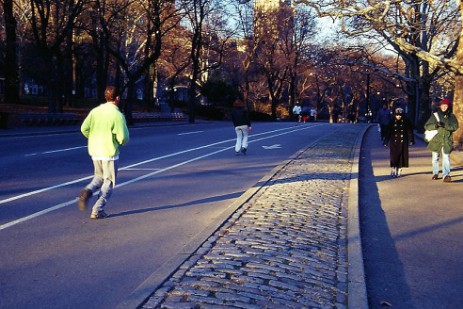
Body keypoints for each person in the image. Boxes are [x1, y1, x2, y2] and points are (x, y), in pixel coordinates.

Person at [78, 85, 130, 219]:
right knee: (109, 181)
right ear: (117, 98)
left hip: (95, 151)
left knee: (98, 177)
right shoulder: (117, 115)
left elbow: (84, 128)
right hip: (109, 153)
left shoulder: (95, 111)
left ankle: (87, 190)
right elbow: (123, 137)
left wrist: (94, 138)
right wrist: (118, 142)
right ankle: (98, 209)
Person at [424, 98, 459, 182]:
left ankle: (446, 175)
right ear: (440, 106)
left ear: (448, 106)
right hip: (436, 140)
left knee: (446, 158)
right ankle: (435, 173)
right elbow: (427, 126)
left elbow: (455, 126)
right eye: (442, 105)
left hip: (446, 140)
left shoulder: (452, 116)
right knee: (435, 158)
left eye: (445, 106)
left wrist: (445, 126)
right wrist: (436, 125)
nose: (444, 107)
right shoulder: (435, 115)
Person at [383, 107, 415, 178]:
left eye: (400, 115)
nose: (398, 117)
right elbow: (388, 132)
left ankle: (399, 169)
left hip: (403, 142)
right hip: (394, 142)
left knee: (401, 156)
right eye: (397, 115)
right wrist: (385, 142)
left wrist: (411, 140)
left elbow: (410, 131)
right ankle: (393, 168)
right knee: (394, 156)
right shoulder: (392, 121)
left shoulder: (406, 121)